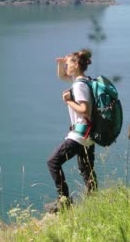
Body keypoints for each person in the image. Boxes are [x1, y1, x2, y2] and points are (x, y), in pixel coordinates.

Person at [45, 49, 97, 213]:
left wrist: (68, 101)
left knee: (53, 162)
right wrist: (60, 64)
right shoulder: (85, 81)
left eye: (68, 64)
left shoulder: (79, 86)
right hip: (89, 135)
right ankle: (94, 202)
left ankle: (64, 200)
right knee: (86, 170)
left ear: (76, 64)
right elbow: (62, 76)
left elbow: (84, 109)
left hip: (79, 135)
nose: (66, 68)